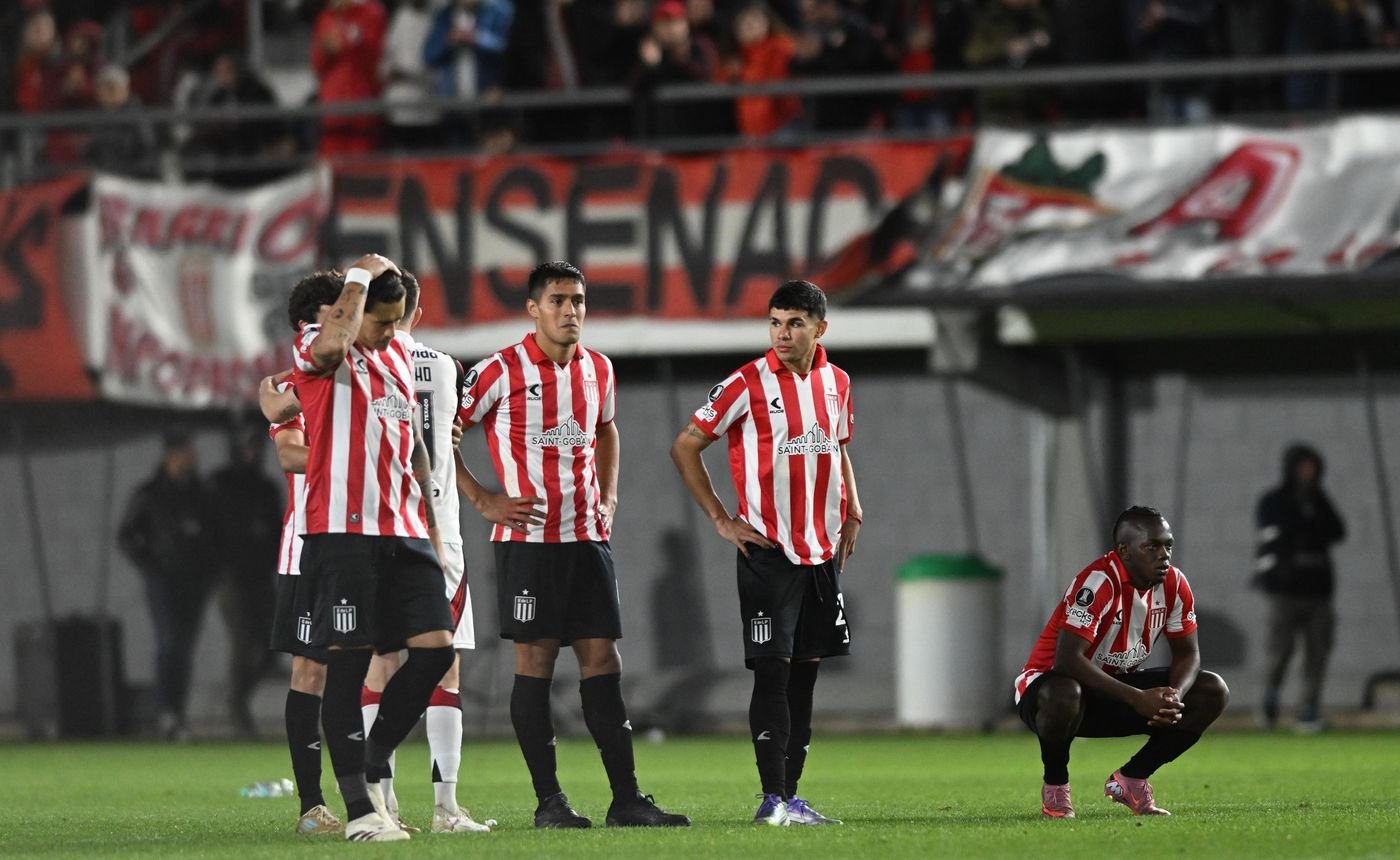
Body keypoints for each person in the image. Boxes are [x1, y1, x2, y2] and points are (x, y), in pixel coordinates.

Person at [454, 261, 690, 829]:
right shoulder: (498, 370)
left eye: (578, 300)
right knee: (535, 661)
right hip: (529, 541)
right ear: (533, 309)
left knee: (603, 658)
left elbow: (606, 429)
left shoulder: (597, 368)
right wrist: (483, 499)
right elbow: (438, 436)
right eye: (558, 300)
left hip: (586, 538)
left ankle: (626, 800)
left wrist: (609, 495)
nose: (570, 310)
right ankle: (549, 803)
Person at [670, 279, 860, 827]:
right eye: (776, 322)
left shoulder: (837, 382)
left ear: (820, 328)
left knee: (805, 678)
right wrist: (721, 519)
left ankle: (792, 797)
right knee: (772, 673)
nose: (783, 333)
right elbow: (685, 445)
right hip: (768, 551)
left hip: (821, 552)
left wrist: (852, 508)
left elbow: (838, 448)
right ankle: (771, 798)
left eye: (795, 323)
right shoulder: (745, 383)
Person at [290, 254, 456, 842]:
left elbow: (413, 445)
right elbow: (333, 346)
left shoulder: (400, 354)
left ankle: (373, 755)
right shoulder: (317, 341)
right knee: (349, 663)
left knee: (436, 651)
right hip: (342, 534)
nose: (391, 331)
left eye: (397, 321)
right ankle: (361, 813)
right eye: (382, 321)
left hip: (404, 530)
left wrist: (432, 529)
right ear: (355, 309)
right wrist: (358, 276)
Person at [360, 272, 492, 834]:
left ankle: (382, 802)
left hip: (376, 526)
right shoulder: (445, 367)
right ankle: (445, 808)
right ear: (416, 312)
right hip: (438, 531)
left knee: (381, 662)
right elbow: (449, 436)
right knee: (446, 664)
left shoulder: (357, 365)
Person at [1013, 506, 1229, 819]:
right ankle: (1056, 789)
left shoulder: (1174, 583)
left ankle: (1132, 779)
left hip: (1111, 691)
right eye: (1151, 547)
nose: (1163, 555)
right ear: (1124, 551)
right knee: (1064, 692)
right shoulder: (1098, 582)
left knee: (1211, 690)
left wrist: (1174, 696)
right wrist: (1137, 698)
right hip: (1050, 694)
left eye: (1168, 546)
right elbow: (1067, 660)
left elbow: (1188, 654)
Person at [258, 269, 350, 835]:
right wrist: (350, 452)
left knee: (373, 667)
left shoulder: (366, 372)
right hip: (310, 545)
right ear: (308, 324)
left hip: (368, 537)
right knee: (312, 669)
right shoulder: (292, 383)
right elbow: (290, 454)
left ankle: (373, 802)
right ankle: (312, 807)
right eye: (339, 309)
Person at [117, 431, 214, 742]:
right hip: (163, 581)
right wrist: (151, 568)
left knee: (184, 647)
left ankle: (177, 713)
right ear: (173, 454)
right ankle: (166, 711)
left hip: (194, 582)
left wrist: (209, 571)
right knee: (169, 641)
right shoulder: (150, 494)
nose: (193, 457)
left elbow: (216, 536)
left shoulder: (200, 493)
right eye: (188, 450)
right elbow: (126, 536)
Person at [1253, 444, 1346, 733]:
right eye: (1303, 467)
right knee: (1279, 651)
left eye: (1312, 468)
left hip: (1318, 591)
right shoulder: (1274, 500)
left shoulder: (1319, 500)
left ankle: (1309, 708)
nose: (1308, 473)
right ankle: (1270, 699)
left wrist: (1311, 521)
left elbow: (1337, 530)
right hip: (1285, 591)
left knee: (1317, 652)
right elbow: (1278, 533)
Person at [208, 427, 284, 738]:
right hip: (232, 579)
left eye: (256, 446)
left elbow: (278, 530)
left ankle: (237, 697)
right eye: (247, 446)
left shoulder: (265, 489)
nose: (252, 453)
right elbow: (212, 531)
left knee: (270, 647)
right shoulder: (220, 485)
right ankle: (237, 709)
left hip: (261, 578)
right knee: (243, 643)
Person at [311, 0, 387, 156]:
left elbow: (374, 57)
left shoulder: (372, 12)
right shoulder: (325, 17)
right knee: (331, 161)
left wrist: (345, 45)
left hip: (362, 104)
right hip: (332, 107)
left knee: (361, 164)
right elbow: (317, 64)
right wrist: (326, 52)